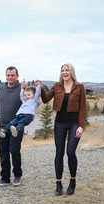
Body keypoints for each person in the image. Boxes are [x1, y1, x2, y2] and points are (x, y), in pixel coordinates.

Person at [38, 63, 86, 196]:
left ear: (71, 72)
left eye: (67, 70)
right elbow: (46, 99)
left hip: (74, 123)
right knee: (59, 153)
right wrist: (41, 88)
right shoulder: (57, 86)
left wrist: (81, 126)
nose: (64, 72)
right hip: (60, 123)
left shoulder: (80, 87)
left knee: (70, 152)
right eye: (62, 70)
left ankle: (72, 180)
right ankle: (58, 184)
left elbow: (83, 108)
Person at [0, 66, 24, 187]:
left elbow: (31, 101)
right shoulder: (1, 90)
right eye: (8, 75)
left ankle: (18, 175)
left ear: (17, 76)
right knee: (3, 152)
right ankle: (5, 177)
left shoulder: (22, 90)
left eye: (12, 75)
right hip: (2, 127)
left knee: (14, 151)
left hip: (16, 127)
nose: (10, 77)